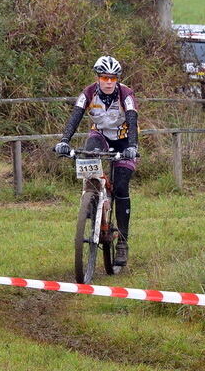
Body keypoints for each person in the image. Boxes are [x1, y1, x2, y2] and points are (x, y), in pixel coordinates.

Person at [54, 56, 139, 266]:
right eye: (104, 77)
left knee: (120, 186)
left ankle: (122, 244)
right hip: (99, 135)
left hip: (124, 140)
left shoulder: (126, 95)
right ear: (98, 78)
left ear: (117, 79)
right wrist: (64, 141)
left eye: (112, 78)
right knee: (88, 158)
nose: (108, 82)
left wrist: (132, 147)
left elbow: (132, 119)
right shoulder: (89, 93)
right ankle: (91, 202)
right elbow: (75, 116)